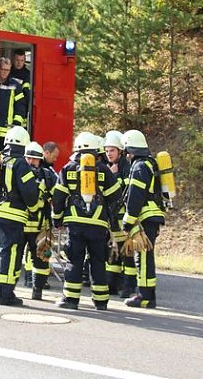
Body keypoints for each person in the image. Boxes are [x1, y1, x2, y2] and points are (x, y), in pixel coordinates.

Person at [52, 132, 121, 310]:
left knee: (75, 260)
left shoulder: (68, 169)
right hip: (98, 225)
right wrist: (109, 219)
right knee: (98, 260)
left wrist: (57, 219)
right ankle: (101, 301)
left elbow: (58, 197)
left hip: (75, 224)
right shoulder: (104, 170)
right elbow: (115, 197)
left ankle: (71, 299)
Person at [0, 126, 40, 306]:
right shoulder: (20, 164)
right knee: (9, 253)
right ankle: (5, 294)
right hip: (13, 216)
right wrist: (34, 207)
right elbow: (30, 192)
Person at [121, 129, 165, 309]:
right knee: (145, 255)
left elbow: (135, 196)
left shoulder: (139, 167)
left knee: (144, 257)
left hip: (145, 217)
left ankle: (145, 297)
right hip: (152, 215)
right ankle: (147, 294)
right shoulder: (149, 163)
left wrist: (128, 220)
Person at [19, 141, 59, 300]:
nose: (31, 162)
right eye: (28, 158)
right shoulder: (19, 174)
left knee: (43, 258)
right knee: (17, 258)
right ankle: (24, 283)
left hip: (42, 226)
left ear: (40, 159)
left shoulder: (48, 175)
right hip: (21, 225)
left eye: (34, 159)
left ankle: (38, 290)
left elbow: (58, 196)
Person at [102, 130, 135, 298]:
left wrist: (114, 175)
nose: (109, 154)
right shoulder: (106, 166)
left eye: (112, 151)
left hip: (122, 217)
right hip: (111, 216)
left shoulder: (125, 167)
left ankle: (128, 287)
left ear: (120, 151)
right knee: (112, 251)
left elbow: (125, 191)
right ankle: (111, 284)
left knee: (125, 250)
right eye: (107, 151)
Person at [0, 58, 28, 151]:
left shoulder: (15, 86)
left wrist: (16, 123)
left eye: (7, 70)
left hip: (7, 130)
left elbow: (20, 106)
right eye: (3, 69)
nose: (5, 72)